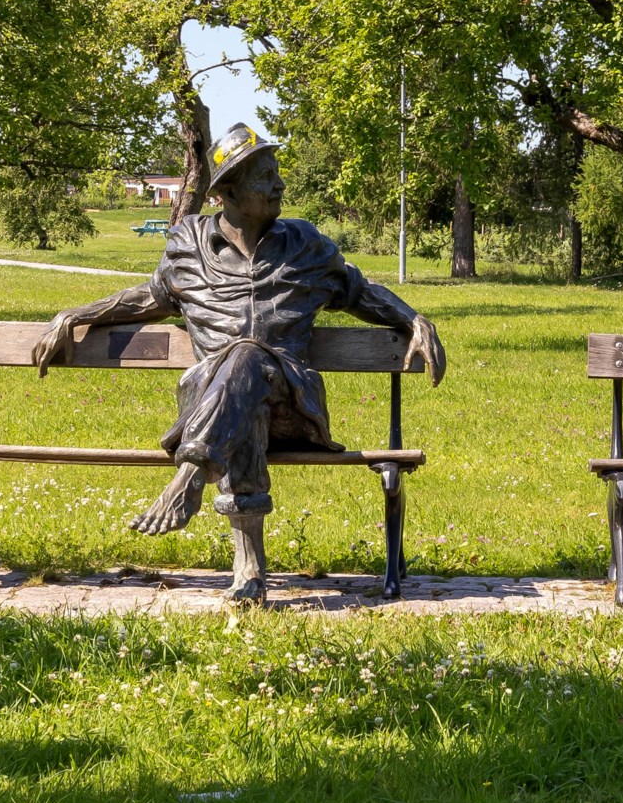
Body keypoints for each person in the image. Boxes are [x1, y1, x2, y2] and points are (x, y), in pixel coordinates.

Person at [32, 124, 445, 598]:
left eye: (276, 174)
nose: (279, 186)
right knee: (239, 387)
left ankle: (190, 475)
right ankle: (249, 569)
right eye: (265, 177)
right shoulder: (188, 246)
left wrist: (414, 320)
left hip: (291, 401)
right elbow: (149, 297)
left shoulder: (306, 247)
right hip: (217, 405)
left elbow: (361, 293)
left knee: (248, 356)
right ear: (227, 191)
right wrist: (74, 315)